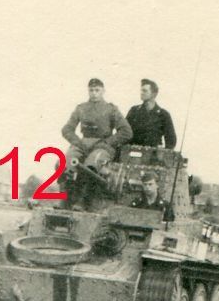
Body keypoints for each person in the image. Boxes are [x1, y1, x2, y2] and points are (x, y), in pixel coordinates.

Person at [61, 78, 132, 209]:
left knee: (92, 164)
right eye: (91, 90)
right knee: (66, 161)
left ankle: (82, 201)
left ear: (103, 91)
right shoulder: (81, 108)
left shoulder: (111, 109)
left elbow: (126, 131)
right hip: (83, 143)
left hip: (103, 146)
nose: (94, 93)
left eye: (97, 90)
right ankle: (65, 200)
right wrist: (77, 142)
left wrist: (108, 142)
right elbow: (67, 129)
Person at [126, 78, 177, 149]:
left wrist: (163, 155)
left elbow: (171, 140)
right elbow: (125, 131)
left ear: (154, 94)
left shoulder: (163, 115)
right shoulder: (134, 111)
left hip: (153, 155)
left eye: (145, 91)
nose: (141, 93)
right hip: (133, 152)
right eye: (141, 90)